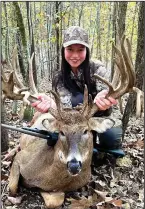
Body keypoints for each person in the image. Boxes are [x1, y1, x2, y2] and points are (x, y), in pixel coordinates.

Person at [31, 26, 124, 157]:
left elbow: (108, 102)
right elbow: (66, 108)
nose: (75, 56)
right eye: (70, 49)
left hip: (100, 116)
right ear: (64, 50)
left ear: (87, 51)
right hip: (74, 122)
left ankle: (94, 146)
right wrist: (52, 105)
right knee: (50, 136)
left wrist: (104, 100)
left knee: (111, 138)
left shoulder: (98, 69)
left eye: (80, 50)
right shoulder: (59, 77)